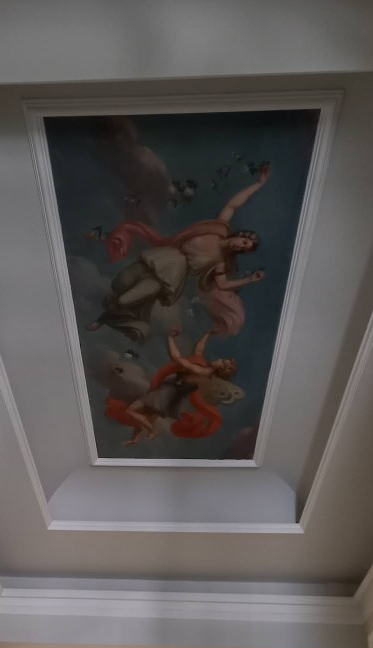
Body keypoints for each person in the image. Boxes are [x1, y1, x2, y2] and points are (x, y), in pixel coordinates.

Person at [87, 163, 270, 341]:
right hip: (162, 257)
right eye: (244, 242)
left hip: (172, 275)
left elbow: (222, 285)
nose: (241, 246)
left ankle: (103, 319)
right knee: (121, 283)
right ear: (241, 235)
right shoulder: (218, 229)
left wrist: (249, 279)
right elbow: (232, 205)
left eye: (244, 249)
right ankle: (110, 314)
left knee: (125, 300)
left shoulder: (220, 261)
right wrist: (259, 183)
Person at [107, 327, 238, 444]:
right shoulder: (205, 369)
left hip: (167, 393)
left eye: (222, 361)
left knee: (132, 409)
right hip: (171, 395)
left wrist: (170, 338)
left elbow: (176, 357)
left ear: (221, 369)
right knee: (145, 414)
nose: (219, 359)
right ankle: (135, 438)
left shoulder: (200, 371)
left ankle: (152, 430)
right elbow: (198, 351)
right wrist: (207, 334)